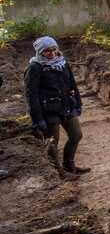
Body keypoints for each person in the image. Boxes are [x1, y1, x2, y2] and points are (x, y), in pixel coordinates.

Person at [24, 36, 89, 175]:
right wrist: (37, 119)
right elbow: (31, 95)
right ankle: (58, 172)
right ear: (40, 52)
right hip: (48, 111)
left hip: (66, 106)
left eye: (54, 49)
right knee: (52, 143)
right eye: (47, 51)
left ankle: (69, 165)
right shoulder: (35, 68)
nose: (52, 53)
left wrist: (78, 102)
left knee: (76, 135)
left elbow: (72, 84)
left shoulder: (63, 63)